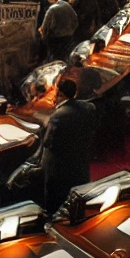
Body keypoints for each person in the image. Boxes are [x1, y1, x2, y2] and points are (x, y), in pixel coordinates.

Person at [38, 75, 95, 212]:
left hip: (60, 165)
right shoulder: (89, 107)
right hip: (80, 159)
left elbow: (48, 142)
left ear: (60, 94)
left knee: (56, 197)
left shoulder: (58, 115)